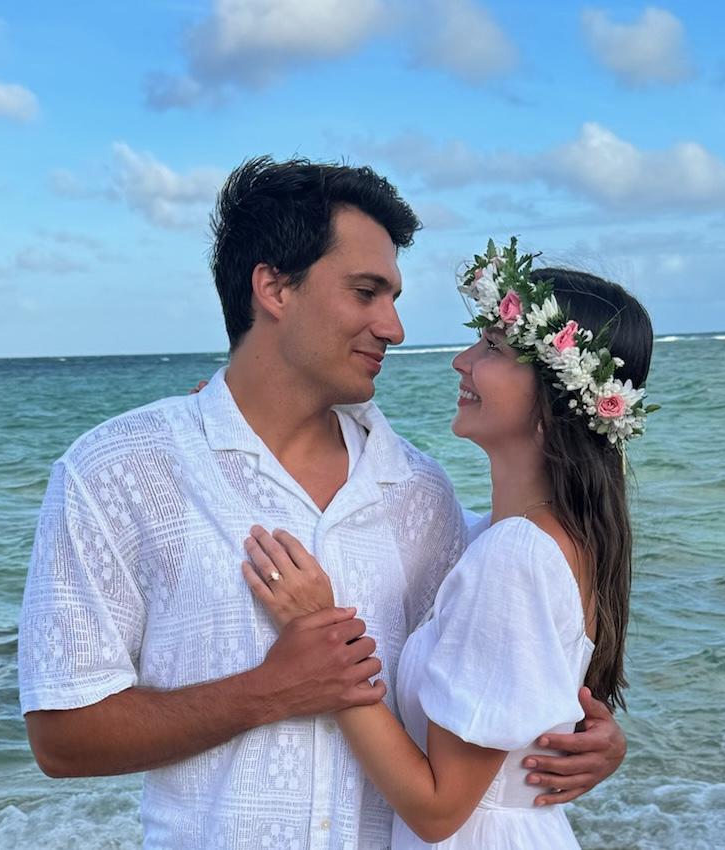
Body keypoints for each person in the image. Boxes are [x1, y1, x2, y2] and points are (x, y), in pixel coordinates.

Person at [17, 159, 627, 848]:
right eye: (366, 292)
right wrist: (269, 691)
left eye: (392, 297)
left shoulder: (421, 494)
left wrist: (567, 735)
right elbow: (61, 738)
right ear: (274, 287)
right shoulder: (121, 471)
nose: (394, 328)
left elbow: (509, 644)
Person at [240, 239, 655, 847]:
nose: (462, 361)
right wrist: (248, 408)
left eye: (493, 347)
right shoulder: (538, 537)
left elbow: (438, 811)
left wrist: (325, 650)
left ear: (556, 396)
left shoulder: (515, 554)